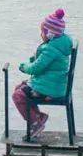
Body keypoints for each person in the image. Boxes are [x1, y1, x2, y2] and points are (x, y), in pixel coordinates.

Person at [12, 9, 72, 139]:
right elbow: (45, 63)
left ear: (50, 34)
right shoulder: (60, 43)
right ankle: (38, 116)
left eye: (43, 32)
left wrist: (24, 67)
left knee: (18, 95)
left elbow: (36, 69)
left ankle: (35, 123)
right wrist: (35, 59)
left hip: (49, 88)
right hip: (54, 83)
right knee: (20, 88)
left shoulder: (51, 49)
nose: (41, 34)